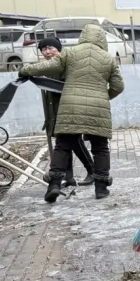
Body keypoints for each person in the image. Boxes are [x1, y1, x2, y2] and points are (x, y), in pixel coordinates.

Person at [21, 23, 124, 202]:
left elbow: (47, 67)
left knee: (63, 145)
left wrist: (25, 70)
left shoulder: (69, 53)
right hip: (98, 108)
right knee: (100, 148)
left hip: (70, 106)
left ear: (83, 36)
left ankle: (53, 185)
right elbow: (118, 86)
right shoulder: (109, 59)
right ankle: (101, 188)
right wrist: (103, 97)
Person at [37, 35, 96, 187]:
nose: (47, 52)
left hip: (70, 110)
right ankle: (68, 176)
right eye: (44, 49)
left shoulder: (65, 64)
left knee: (74, 142)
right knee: (64, 144)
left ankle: (92, 170)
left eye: (50, 48)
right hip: (56, 112)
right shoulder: (48, 67)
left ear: (58, 49)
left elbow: (66, 85)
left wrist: (47, 83)